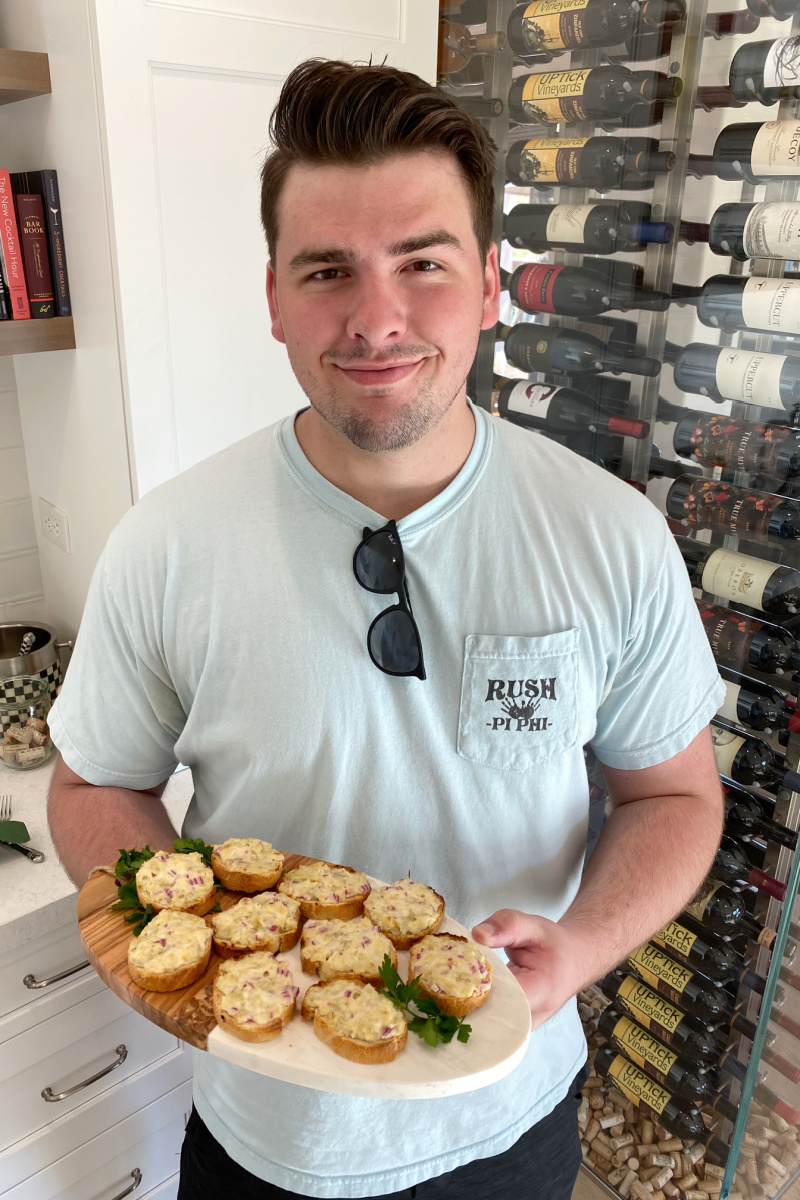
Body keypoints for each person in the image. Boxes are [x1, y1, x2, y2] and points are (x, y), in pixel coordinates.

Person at [47, 58, 725, 1200]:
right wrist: (168, 939)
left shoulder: (610, 536)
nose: (375, 319)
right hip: (263, 1131)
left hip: (509, 1120)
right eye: (327, 271)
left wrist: (584, 946)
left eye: (422, 262)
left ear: (489, 283)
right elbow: (91, 783)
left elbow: (674, 797)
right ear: (271, 295)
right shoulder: (167, 542)